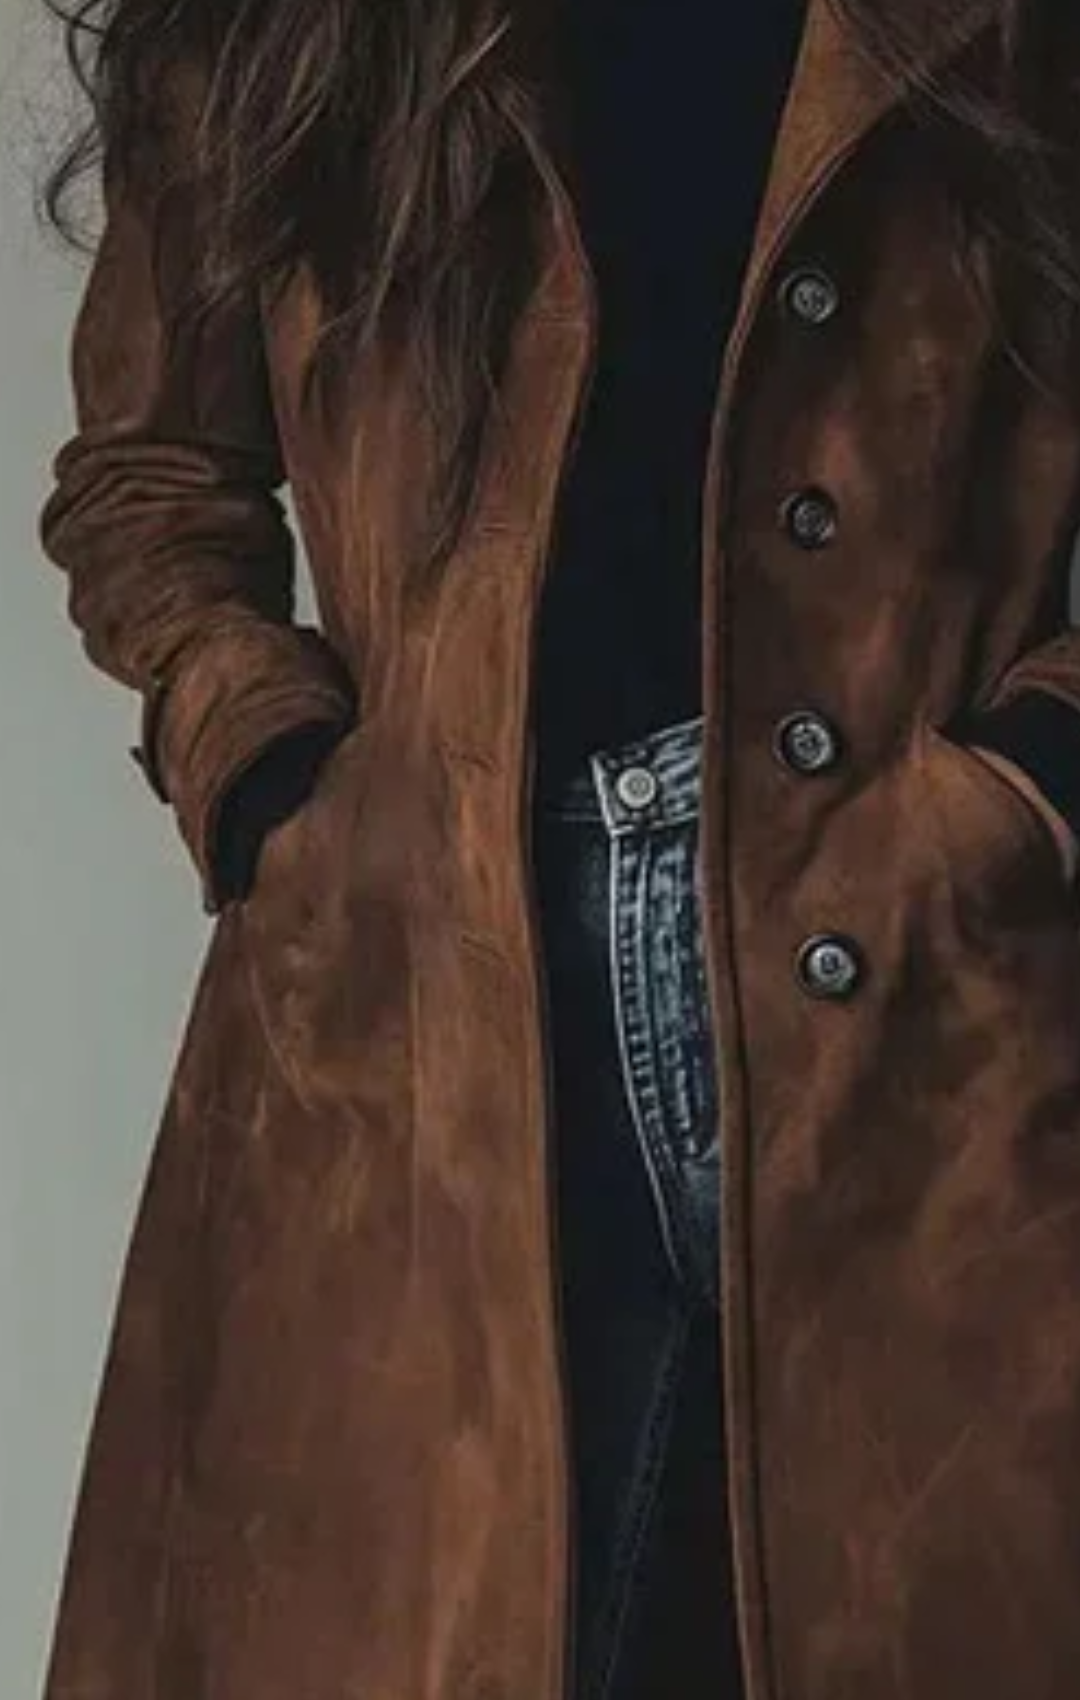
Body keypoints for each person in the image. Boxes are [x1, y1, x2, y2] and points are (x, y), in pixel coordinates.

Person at [30, 0, 1080, 1695]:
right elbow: (148, 474)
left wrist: (1028, 787)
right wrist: (270, 769)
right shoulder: (280, 27)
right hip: (424, 1037)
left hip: (928, 1022)